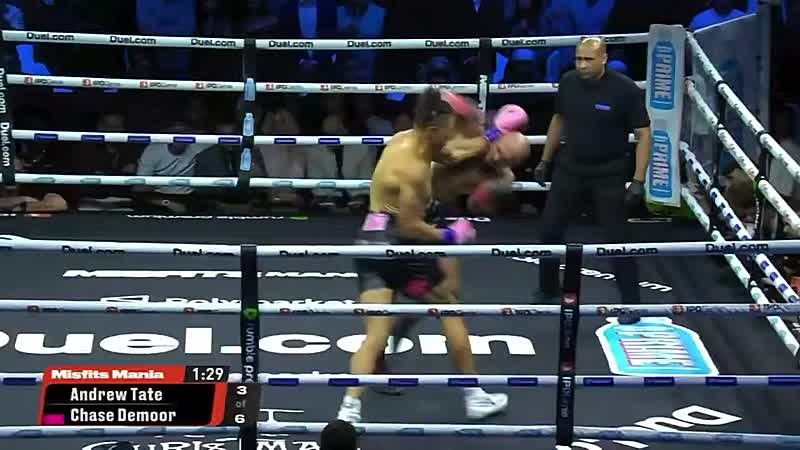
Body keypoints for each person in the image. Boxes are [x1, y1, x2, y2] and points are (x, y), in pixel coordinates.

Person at [335, 88, 527, 423]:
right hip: (402, 245)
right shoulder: (414, 172)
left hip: (368, 242)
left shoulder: (405, 140)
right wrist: (451, 236)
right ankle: (474, 396)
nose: (452, 137)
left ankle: (348, 411)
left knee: (375, 335)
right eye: (448, 131)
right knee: (449, 307)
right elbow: (410, 225)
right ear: (435, 129)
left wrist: (494, 134)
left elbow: (456, 152)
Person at [373, 129, 532, 397]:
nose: (498, 159)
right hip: (409, 214)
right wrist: (485, 140)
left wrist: (496, 183)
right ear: (497, 140)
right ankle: (380, 361)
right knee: (425, 299)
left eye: (508, 160)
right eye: (500, 152)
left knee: (448, 292)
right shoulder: (471, 145)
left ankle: (404, 324)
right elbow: (435, 154)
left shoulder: (500, 173)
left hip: (441, 215)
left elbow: (478, 205)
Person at [532, 37, 651, 324]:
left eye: (588, 59)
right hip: (570, 167)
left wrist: (638, 179)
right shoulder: (568, 82)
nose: (582, 65)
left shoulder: (625, 89)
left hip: (609, 171)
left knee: (617, 237)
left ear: (604, 59)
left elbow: (644, 134)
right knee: (549, 230)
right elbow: (559, 119)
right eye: (578, 59)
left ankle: (631, 304)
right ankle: (548, 288)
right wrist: (545, 159)